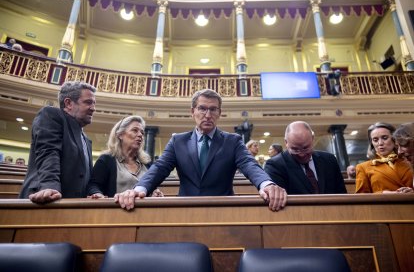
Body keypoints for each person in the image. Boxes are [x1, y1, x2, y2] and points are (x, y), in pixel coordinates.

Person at [114, 89, 287, 211]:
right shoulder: (178, 141)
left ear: (219, 113)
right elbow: (160, 168)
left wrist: (267, 185)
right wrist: (139, 190)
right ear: (192, 111)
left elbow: (250, 165)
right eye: (202, 108)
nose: (208, 114)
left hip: (225, 211)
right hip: (185, 210)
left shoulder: (232, 141)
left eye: (213, 109)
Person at [19, 81, 96, 203]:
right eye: (88, 102)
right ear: (68, 103)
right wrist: (49, 186)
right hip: (44, 200)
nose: (93, 108)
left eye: (94, 103)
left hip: (71, 208)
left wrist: (93, 193)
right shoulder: (51, 115)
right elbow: (48, 152)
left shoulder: (86, 139)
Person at [87, 116, 163, 198]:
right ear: (120, 135)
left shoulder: (147, 163)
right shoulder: (107, 160)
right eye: (135, 130)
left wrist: (155, 193)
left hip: (145, 210)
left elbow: (150, 188)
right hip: (115, 209)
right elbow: (93, 185)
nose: (140, 135)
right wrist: (98, 194)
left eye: (142, 132)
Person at [264, 121, 347, 194]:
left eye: (305, 148)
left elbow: (342, 194)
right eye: (295, 149)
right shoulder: (275, 165)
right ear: (286, 142)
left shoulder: (329, 160)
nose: (301, 154)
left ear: (313, 139)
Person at [356, 122, 413, 193]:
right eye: (375, 140)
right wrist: (382, 194)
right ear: (372, 143)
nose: (380, 143)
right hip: (382, 203)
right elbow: (360, 198)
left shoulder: (409, 160)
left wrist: (411, 192)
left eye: (385, 138)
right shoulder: (363, 167)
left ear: (394, 139)